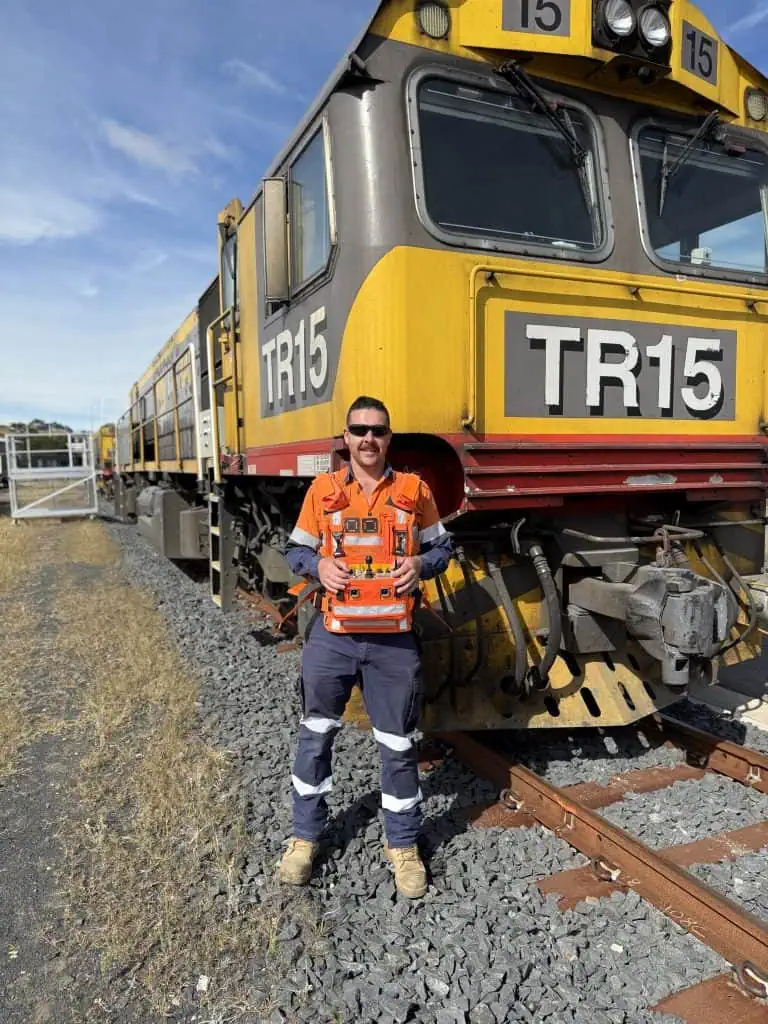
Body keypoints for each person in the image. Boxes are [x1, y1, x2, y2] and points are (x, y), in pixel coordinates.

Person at [278, 396, 454, 898]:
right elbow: (295, 549)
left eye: (377, 430)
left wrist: (422, 564)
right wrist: (319, 567)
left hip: (393, 644)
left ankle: (402, 846)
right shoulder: (322, 490)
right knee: (315, 737)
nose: (368, 439)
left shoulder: (414, 490)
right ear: (346, 437)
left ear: (388, 437)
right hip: (333, 640)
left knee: (398, 747)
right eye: (359, 430)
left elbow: (443, 546)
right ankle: (304, 839)